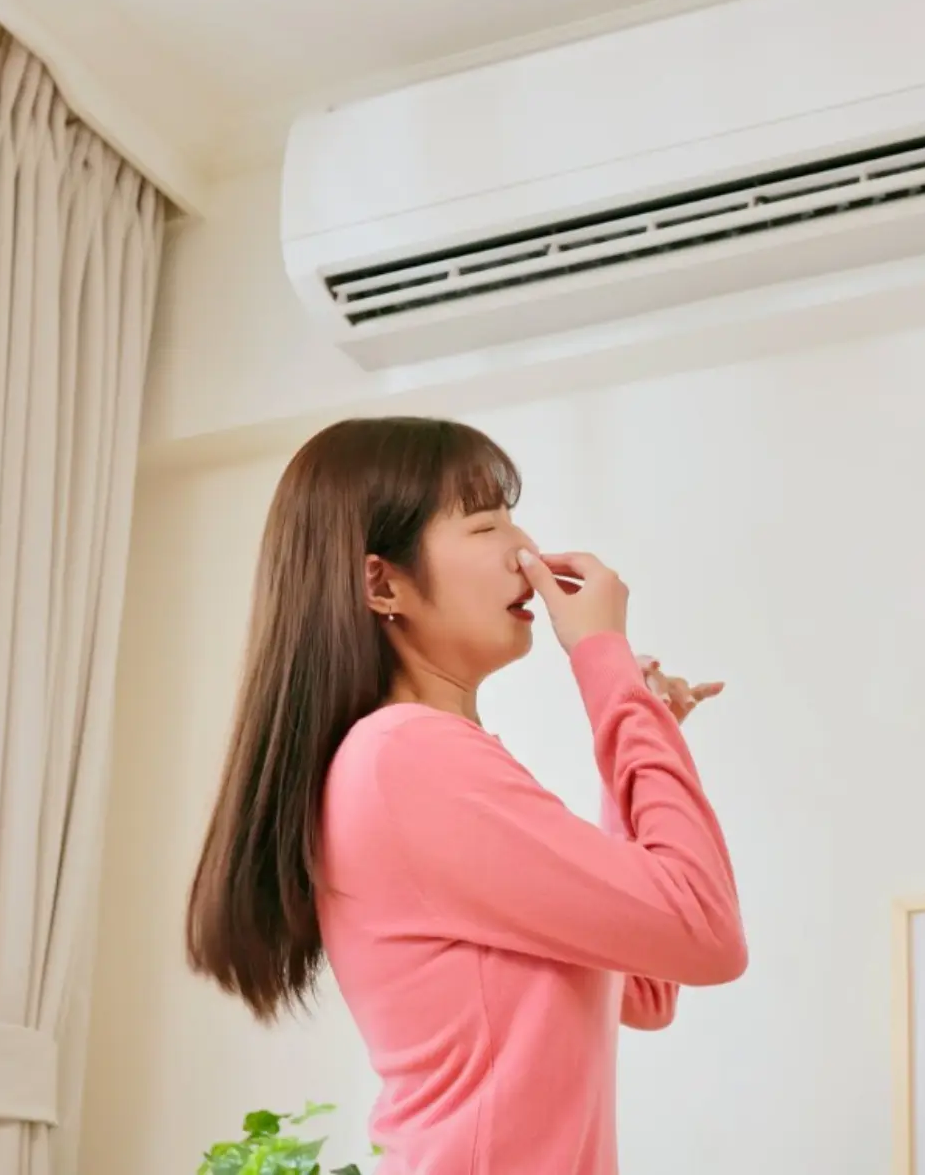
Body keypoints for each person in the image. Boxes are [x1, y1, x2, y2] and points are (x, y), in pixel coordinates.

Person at [185, 416, 748, 1175]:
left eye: (513, 519)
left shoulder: (418, 760)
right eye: (485, 525)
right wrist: (604, 665)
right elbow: (707, 933)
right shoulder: (406, 757)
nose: (526, 549)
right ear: (382, 583)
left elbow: (648, 983)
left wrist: (640, 725)